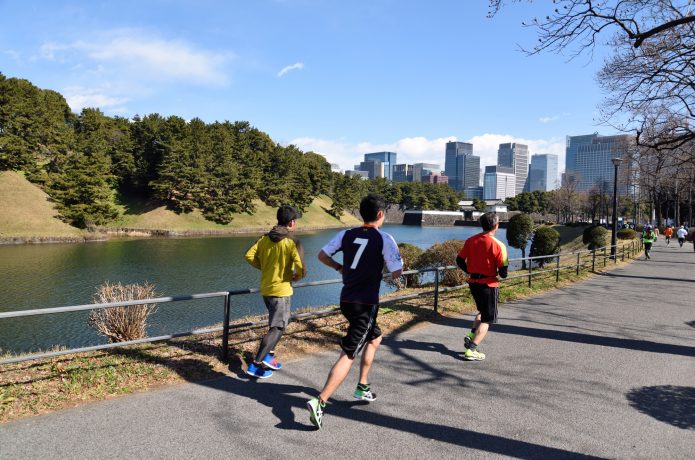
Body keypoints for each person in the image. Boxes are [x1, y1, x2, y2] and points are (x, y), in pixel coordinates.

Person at [306, 194, 403, 430]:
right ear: (381, 214)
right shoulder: (385, 239)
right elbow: (397, 272)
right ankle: (320, 401)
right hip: (366, 303)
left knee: (375, 338)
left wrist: (340, 267)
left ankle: (362, 385)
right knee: (348, 353)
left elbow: (321, 255)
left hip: (347, 300)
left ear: (362, 213)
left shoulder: (346, 234)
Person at [243, 205, 306, 379]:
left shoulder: (264, 238)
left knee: (275, 323)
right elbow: (301, 267)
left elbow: (248, 255)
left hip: (267, 288)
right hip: (281, 291)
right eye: (296, 221)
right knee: (277, 327)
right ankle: (256, 364)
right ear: (291, 222)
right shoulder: (292, 242)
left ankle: (269, 356)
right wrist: (297, 276)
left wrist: (263, 266)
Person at [456, 212, 509, 361]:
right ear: (496, 226)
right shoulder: (499, 245)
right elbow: (503, 272)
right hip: (489, 284)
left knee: (482, 311)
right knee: (488, 319)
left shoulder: (470, 240)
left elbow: (459, 260)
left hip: (473, 282)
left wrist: (470, 270)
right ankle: (471, 350)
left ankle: (472, 334)